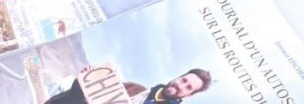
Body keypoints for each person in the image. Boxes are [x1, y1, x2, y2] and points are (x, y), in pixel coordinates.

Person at [45, 68, 212, 104]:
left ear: (189, 95)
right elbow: (77, 97)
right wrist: (85, 81)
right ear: (178, 76)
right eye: (183, 80)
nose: (181, 85)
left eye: (189, 87)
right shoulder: (133, 88)